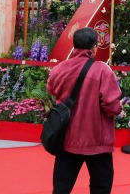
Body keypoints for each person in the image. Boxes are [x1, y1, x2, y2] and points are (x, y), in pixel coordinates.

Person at [47, 27, 122, 194]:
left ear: (74, 46)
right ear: (94, 47)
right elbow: (111, 106)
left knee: (61, 186)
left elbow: (51, 89)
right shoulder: (102, 70)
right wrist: (119, 108)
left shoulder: (59, 69)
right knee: (101, 185)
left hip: (67, 137)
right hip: (97, 140)